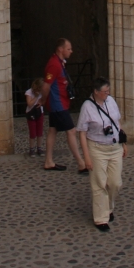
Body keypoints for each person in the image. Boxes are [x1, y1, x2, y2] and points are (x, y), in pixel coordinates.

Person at [77, 77, 127, 233]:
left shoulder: (111, 101)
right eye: (105, 92)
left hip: (114, 147)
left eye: (108, 91)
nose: (108, 93)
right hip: (97, 148)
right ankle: (101, 218)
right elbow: (82, 133)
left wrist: (123, 143)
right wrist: (86, 156)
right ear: (96, 92)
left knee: (115, 183)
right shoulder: (87, 107)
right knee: (99, 183)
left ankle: (109, 207)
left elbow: (117, 123)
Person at [41, 38, 87, 173]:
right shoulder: (54, 64)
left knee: (53, 130)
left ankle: (49, 161)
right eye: (69, 49)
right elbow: (46, 85)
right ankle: (81, 163)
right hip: (58, 104)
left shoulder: (59, 63)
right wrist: (43, 100)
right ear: (61, 49)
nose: (71, 51)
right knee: (71, 131)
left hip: (60, 102)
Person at [25, 78, 45, 157]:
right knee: (33, 132)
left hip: (39, 112)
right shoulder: (29, 92)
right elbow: (29, 104)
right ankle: (32, 148)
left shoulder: (42, 92)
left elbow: (44, 99)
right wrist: (36, 96)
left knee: (39, 132)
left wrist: (42, 102)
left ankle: (39, 148)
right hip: (31, 113)